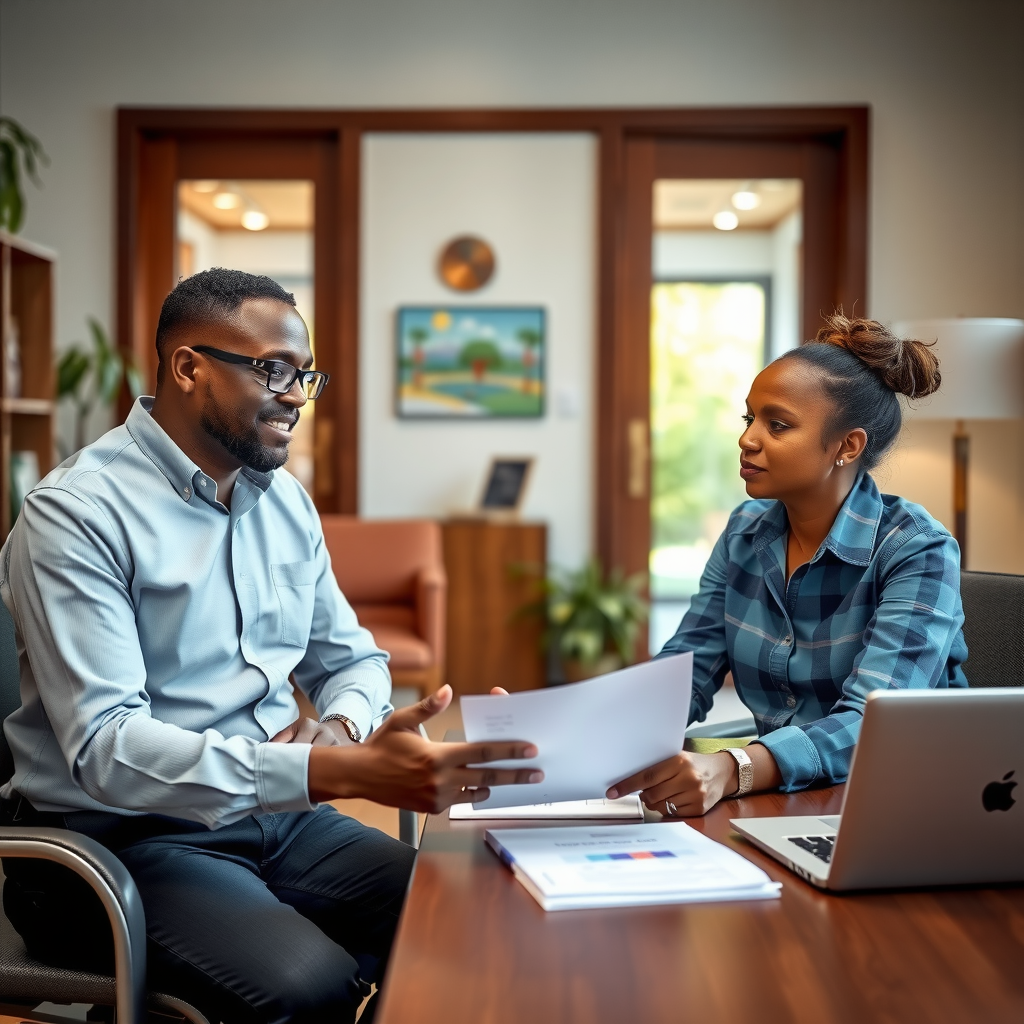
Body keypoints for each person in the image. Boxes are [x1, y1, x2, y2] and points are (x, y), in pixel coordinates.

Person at [0, 269, 541, 1024]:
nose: (294, 394)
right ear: (188, 368)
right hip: (117, 840)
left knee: (465, 912)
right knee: (308, 984)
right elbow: (107, 747)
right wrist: (328, 769)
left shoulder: (283, 502)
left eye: (303, 375)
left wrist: (344, 727)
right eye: (272, 370)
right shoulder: (77, 514)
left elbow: (355, 659)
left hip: (275, 818)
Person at [608, 314, 967, 817]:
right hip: (782, 798)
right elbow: (687, 668)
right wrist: (575, 736)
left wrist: (734, 769)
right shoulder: (744, 531)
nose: (748, 439)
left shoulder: (917, 550)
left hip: (904, 805)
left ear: (848, 446)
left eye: (777, 425)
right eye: (748, 419)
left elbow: (874, 720)